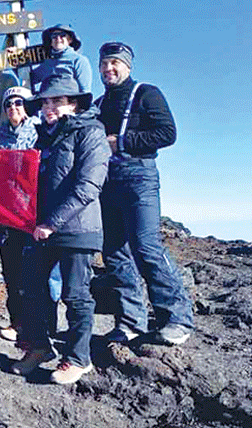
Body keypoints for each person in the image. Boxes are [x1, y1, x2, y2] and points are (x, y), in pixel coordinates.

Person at [10, 74, 110, 384]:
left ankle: (79, 358)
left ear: (75, 104)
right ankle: (40, 347)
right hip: (42, 229)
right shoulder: (44, 138)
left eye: (58, 101)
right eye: (46, 101)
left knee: (76, 295)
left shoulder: (91, 133)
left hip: (77, 230)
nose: (49, 107)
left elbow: (89, 185)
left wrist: (52, 223)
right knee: (32, 288)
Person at [95, 41, 194, 346]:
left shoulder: (147, 93)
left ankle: (176, 319)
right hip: (107, 181)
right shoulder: (99, 103)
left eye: (115, 63)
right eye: (104, 64)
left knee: (146, 246)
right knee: (114, 252)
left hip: (139, 176)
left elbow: (168, 133)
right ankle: (130, 322)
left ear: (128, 66)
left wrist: (121, 141)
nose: (109, 69)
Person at [0, 86, 38, 342]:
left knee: (33, 272)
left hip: (31, 211)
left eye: (19, 104)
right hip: (6, 211)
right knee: (10, 269)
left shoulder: (39, 131)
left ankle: (42, 324)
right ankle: (16, 321)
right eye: (9, 105)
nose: (14, 109)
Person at [31, 24, 92, 94]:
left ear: (70, 40)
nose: (58, 38)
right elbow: (29, 79)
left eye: (62, 35)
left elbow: (85, 91)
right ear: (51, 41)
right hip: (46, 103)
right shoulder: (47, 63)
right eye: (54, 36)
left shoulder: (79, 60)